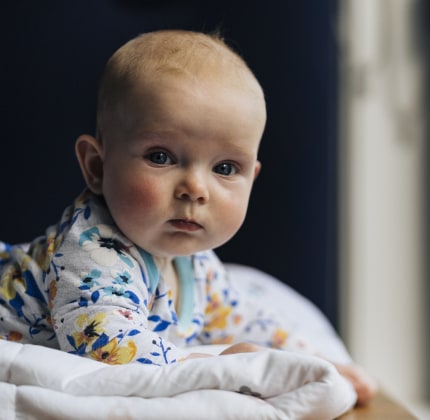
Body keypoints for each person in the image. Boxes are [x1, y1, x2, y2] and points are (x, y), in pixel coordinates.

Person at [0, 29, 376, 405]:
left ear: (252, 179)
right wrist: (214, 368)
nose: (196, 188)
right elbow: (109, 350)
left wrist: (315, 362)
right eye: (161, 157)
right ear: (97, 166)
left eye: (226, 168)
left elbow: (247, 320)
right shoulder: (92, 252)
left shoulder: (196, 266)